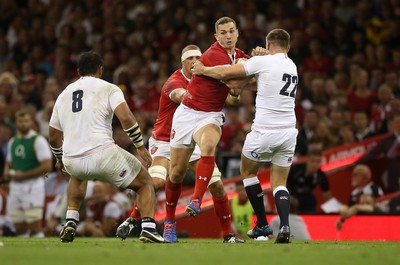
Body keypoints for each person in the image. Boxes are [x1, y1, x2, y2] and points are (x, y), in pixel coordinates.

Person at [116, 44, 244, 243]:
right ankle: (138, 218)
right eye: (189, 59)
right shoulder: (174, 82)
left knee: (217, 186)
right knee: (157, 181)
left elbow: (232, 100)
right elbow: (180, 95)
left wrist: (234, 91)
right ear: (182, 62)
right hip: (165, 140)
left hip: (192, 136)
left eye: (197, 58)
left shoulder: (206, 77)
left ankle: (228, 234)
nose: (194, 62)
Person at [192, 28, 298, 243]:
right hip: (288, 132)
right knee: (279, 182)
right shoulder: (292, 66)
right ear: (288, 46)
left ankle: (262, 224)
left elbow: (226, 75)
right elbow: (254, 84)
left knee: (248, 173)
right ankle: (285, 226)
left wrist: (203, 69)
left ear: (269, 45)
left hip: (264, 131)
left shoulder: (265, 62)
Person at [48, 51, 164, 243]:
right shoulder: (109, 88)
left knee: (78, 175)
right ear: (100, 70)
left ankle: (70, 220)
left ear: (78, 71)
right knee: (145, 183)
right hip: (103, 154)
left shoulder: (63, 94)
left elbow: (53, 136)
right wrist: (139, 146)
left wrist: (60, 158)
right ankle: (149, 228)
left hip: (72, 158)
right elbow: (126, 117)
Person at [163, 17, 252, 241]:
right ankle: (170, 222)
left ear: (238, 33)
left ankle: (197, 201)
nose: (228, 36)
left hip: (210, 115)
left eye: (231, 31)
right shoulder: (214, 54)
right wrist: (245, 76)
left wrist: (259, 58)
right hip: (186, 115)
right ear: (216, 37)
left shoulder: (238, 55)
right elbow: (233, 82)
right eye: (223, 33)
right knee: (176, 173)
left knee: (210, 145)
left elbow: (240, 83)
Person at [2, 110, 53, 237]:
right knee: (18, 226)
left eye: (26, 121)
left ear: (31, 122)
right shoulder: (13, 141)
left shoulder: (38, 140)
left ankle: (43, 251)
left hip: (32, 186)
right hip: (15, 187)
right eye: (20, 121)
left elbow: (47, 166)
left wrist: (23, 175)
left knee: (34, 224)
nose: (23, 124)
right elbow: (9, 162)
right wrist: (6, 172)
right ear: (16, 123)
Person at [357, 112, 400, 193]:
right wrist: (356, 163)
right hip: (395, 177)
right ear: (392, 124)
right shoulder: (386, 141)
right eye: (397, 122)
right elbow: (372, 154)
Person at [286, 149, 332, 213]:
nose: (315, 165)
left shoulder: (321, 175)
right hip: (292, 197)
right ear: (307, 160)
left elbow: (327, 196)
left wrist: (330, 210)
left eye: (318, 162)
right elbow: (283, 184)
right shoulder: (296, 169)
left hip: (307, 198)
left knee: (312, 200)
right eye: (312, 161)